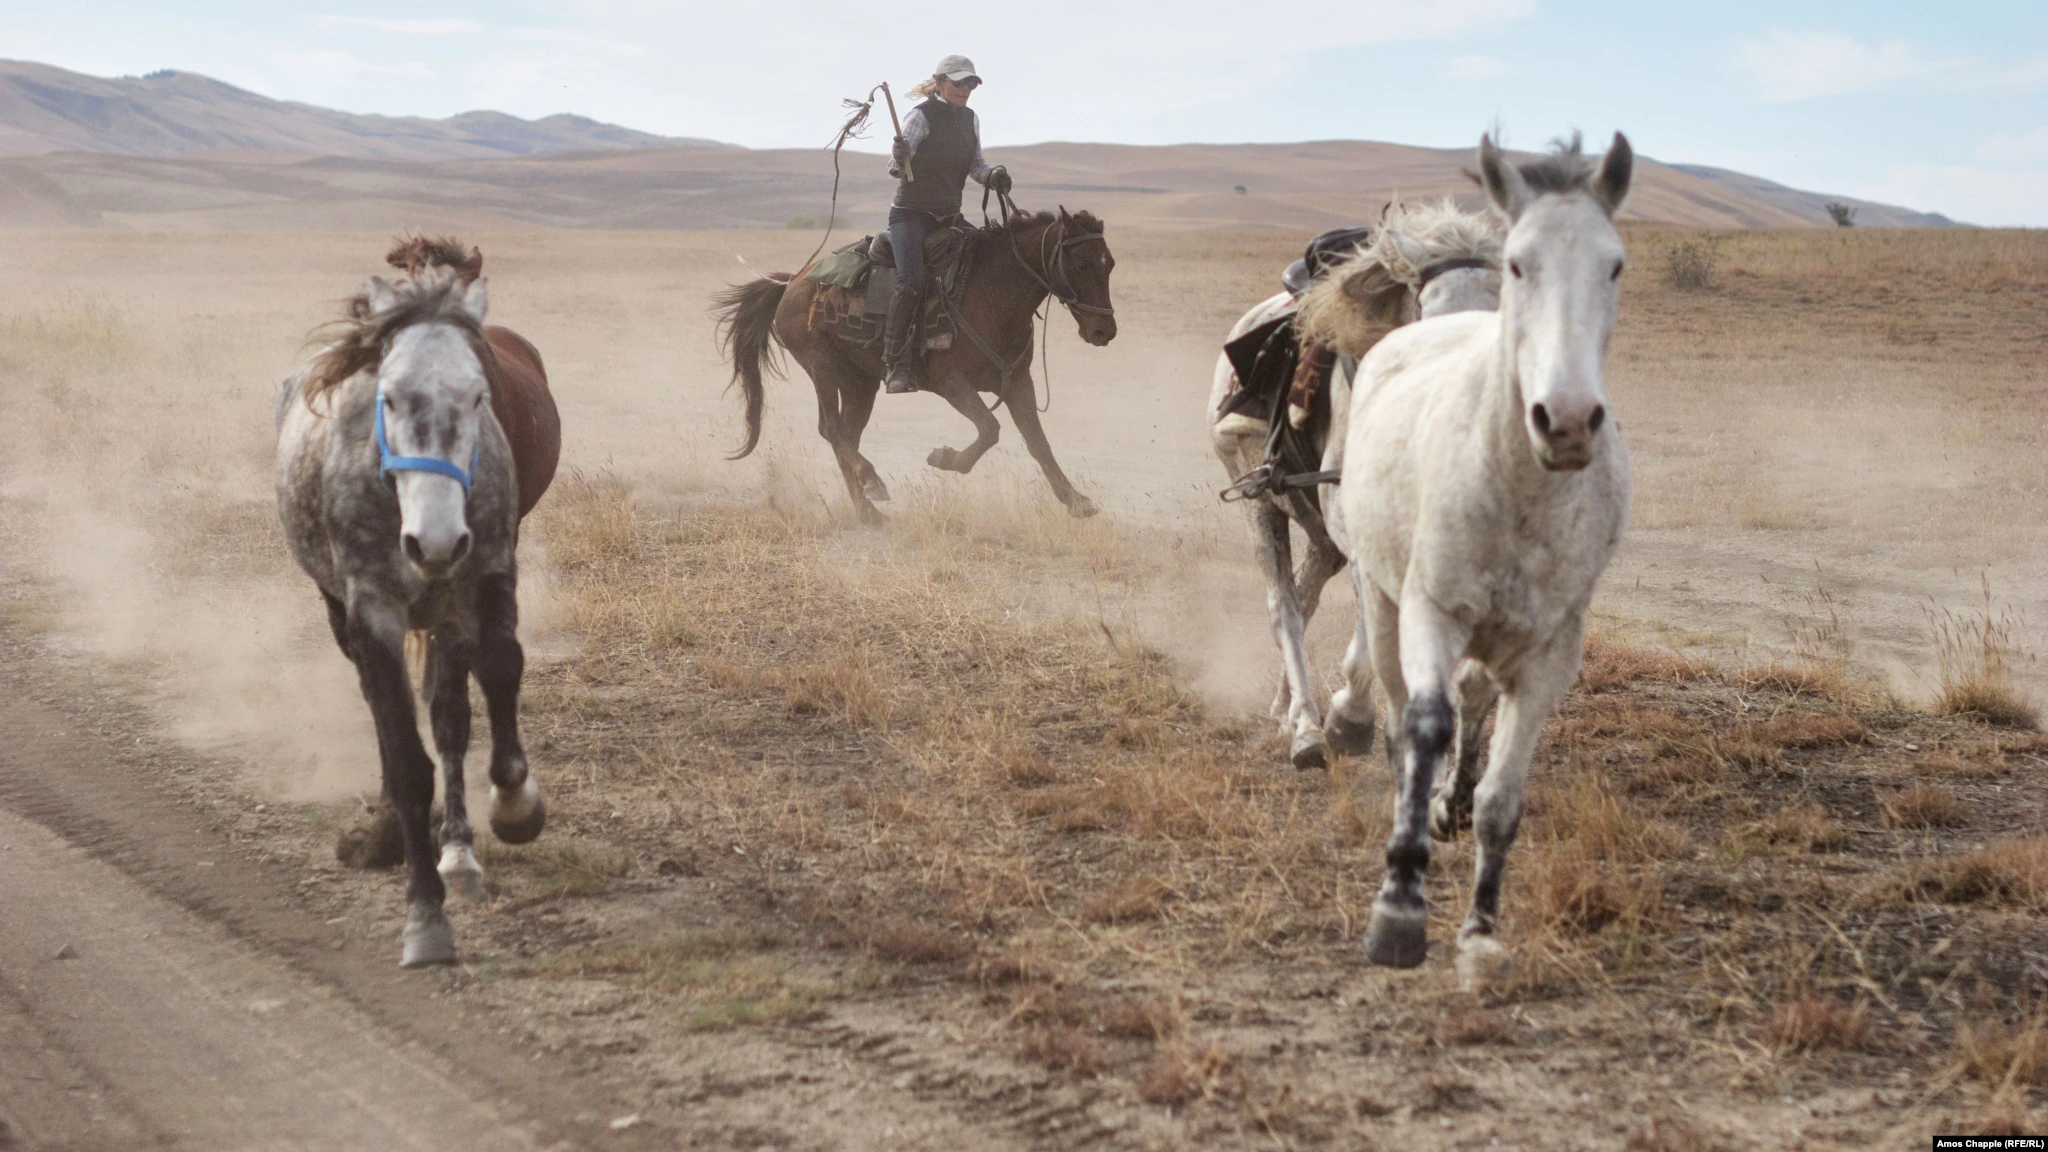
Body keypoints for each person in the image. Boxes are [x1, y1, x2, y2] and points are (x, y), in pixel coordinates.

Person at [883, 54, 1012, 395]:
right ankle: (895, 365)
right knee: (910, 282)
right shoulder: (920, 117)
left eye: (971, 83)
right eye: (958, 83)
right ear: (939, 82)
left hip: (950, 217)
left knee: (992, 260)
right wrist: (900, 154)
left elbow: (976, 166)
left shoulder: (971, 119)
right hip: (911, 215)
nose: (966, 89)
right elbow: (895, 168)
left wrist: (994, 176)